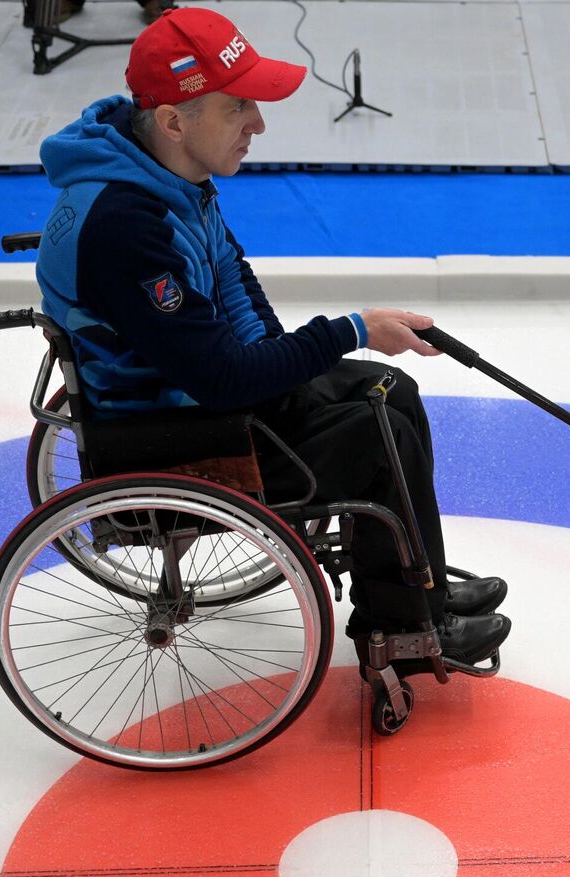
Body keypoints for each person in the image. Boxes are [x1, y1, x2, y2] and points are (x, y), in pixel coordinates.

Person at [34, 7, 510, 665]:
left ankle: (420, 588)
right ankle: (398, 634)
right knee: (378, 435)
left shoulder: (163, 170)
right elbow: (220, 379)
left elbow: (231, 275)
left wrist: (286, 370)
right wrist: (350, 330)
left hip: (206, 390)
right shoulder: (127, 225)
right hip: (168, 432)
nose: (258, 124)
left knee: (388, 388)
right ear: (174, 120)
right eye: (238, 109)